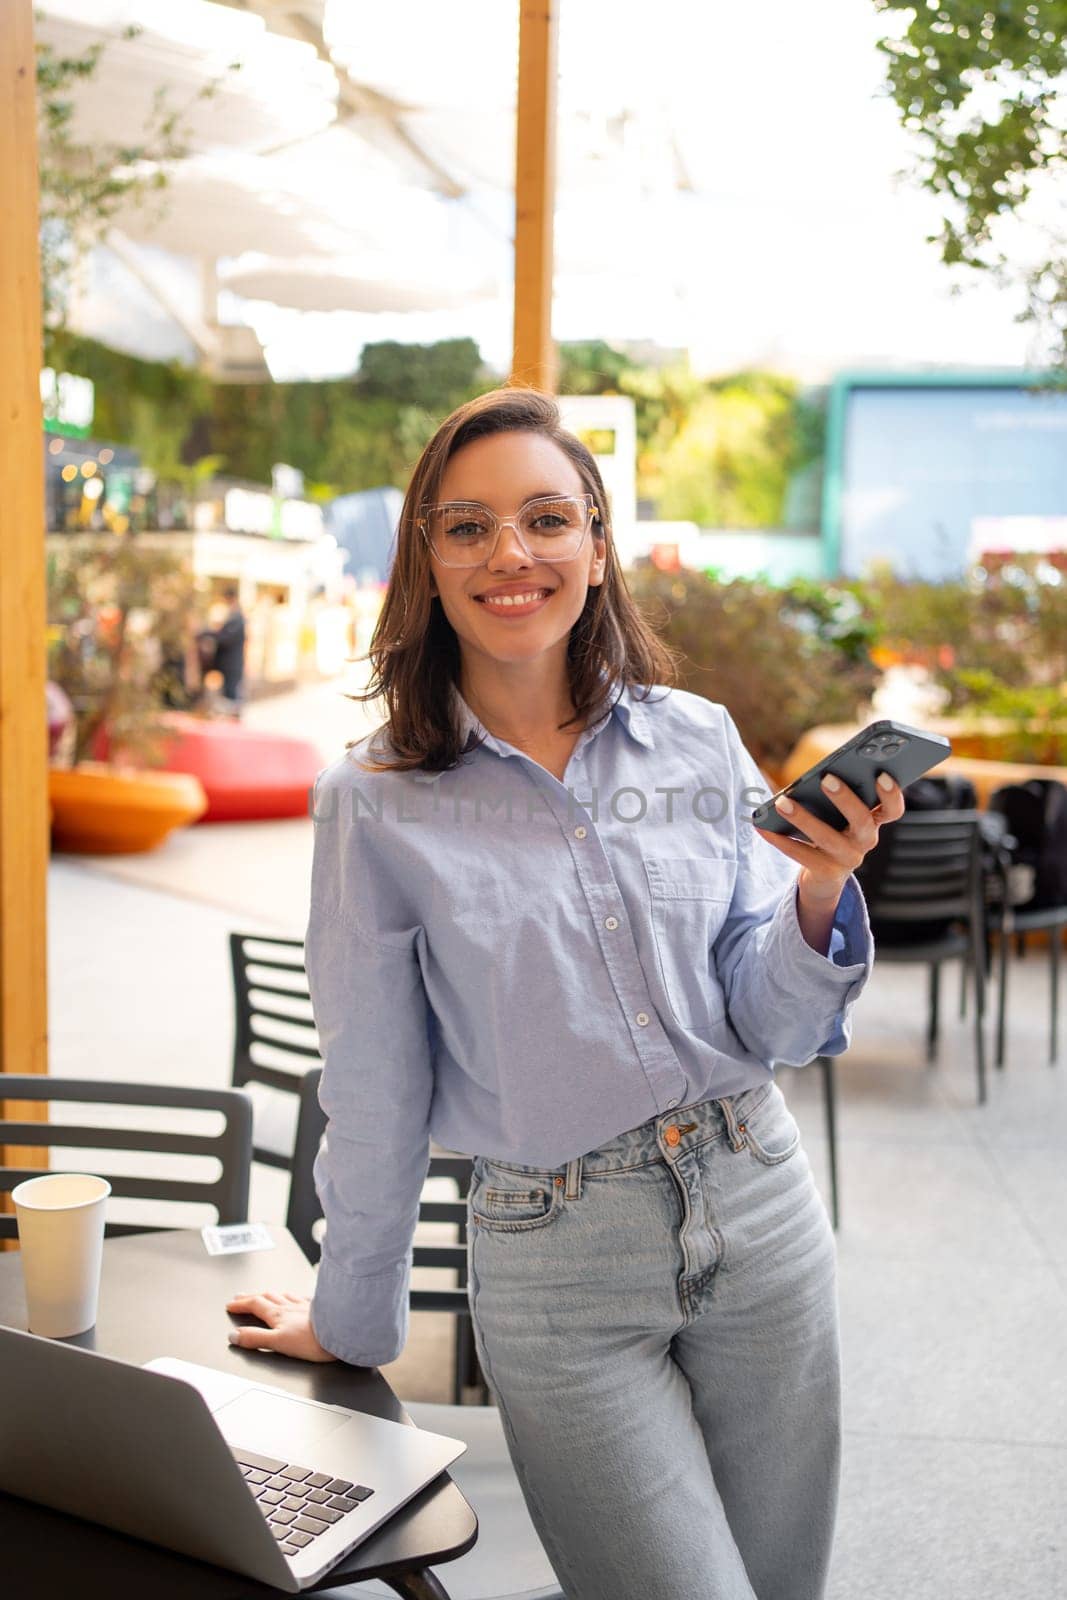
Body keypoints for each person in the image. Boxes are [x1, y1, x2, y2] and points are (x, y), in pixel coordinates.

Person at [225, 388, 904, 1600]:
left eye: (546, 518)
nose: (510, 554)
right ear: (424, 561)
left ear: (596, 546)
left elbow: (775, 1021)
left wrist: (815, 897)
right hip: (555, 1256)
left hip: (758, 1203)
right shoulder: (374, 802)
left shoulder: (695, 739)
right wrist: (353, 1317)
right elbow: (374, 1086)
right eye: (466, 526)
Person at [211, 585, 247, 715]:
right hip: (229, 662)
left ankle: (234, 715)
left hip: (232, 662)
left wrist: (210, 633)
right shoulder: (234, 615)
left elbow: (226, 637)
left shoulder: (237, 617)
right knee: (229, 692)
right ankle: (232, 713)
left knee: (232, 693)